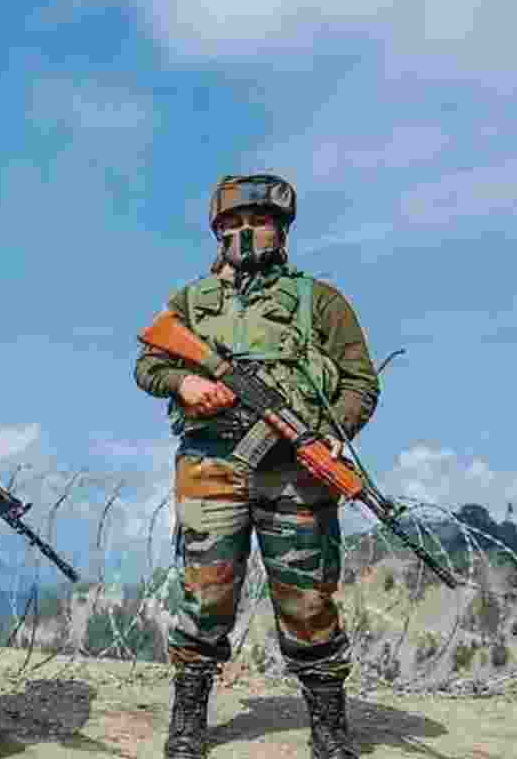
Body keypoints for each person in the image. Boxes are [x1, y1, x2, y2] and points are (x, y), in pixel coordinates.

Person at [134, 174, 380, 759]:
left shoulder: (319, 301)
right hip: (211, 466)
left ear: (282, 230)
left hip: (295, 470)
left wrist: (333, 434)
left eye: (259, 222)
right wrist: (186, 383)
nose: (246, 233)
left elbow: (360, 383)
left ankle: (329, 728)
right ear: (217, 231)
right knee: (205, 596)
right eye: (233, 224)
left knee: (308, 600)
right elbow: (148, 365)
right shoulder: (191, 302)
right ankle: (188, 722)